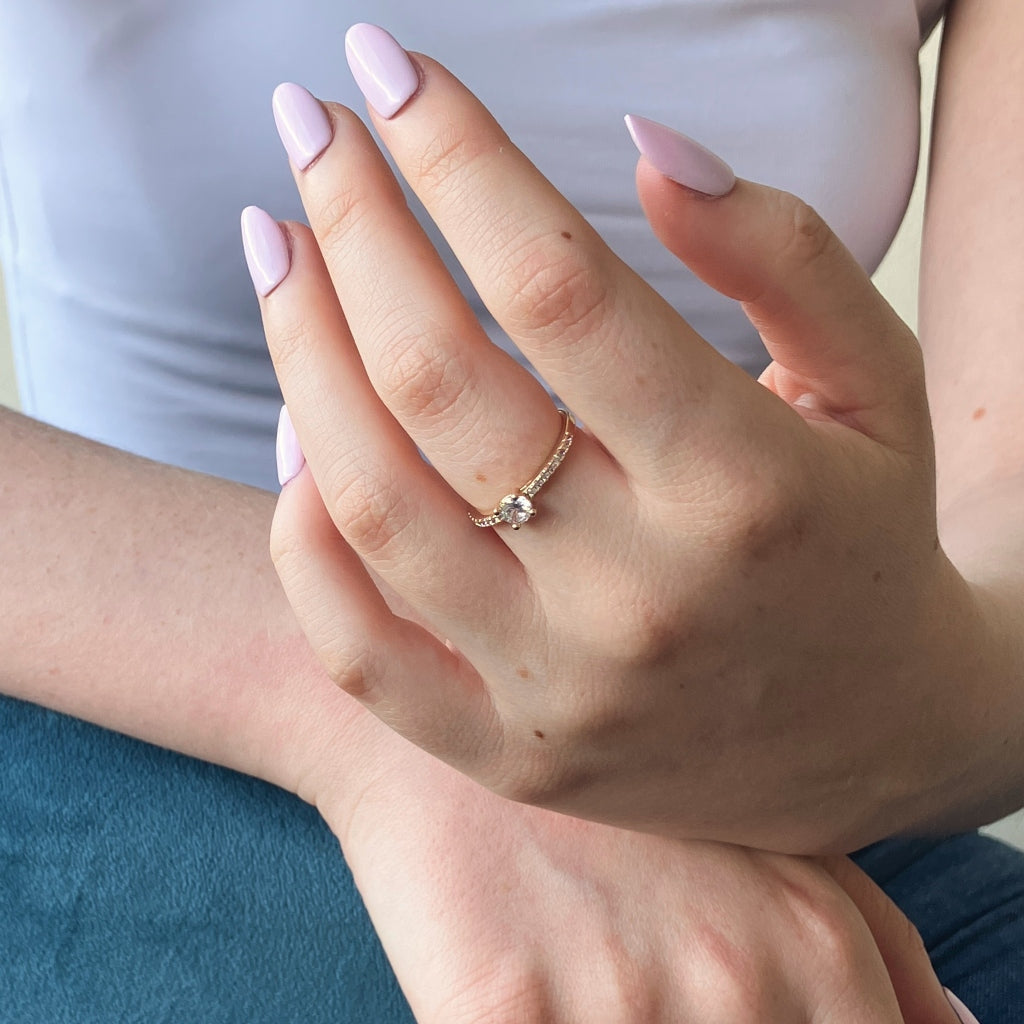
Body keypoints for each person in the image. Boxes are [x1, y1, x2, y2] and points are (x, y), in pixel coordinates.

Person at [0, 1, 1018, 1020]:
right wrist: (388, 711)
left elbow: (1000, 527)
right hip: (131, 691)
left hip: (758, 749)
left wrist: (917, 682)